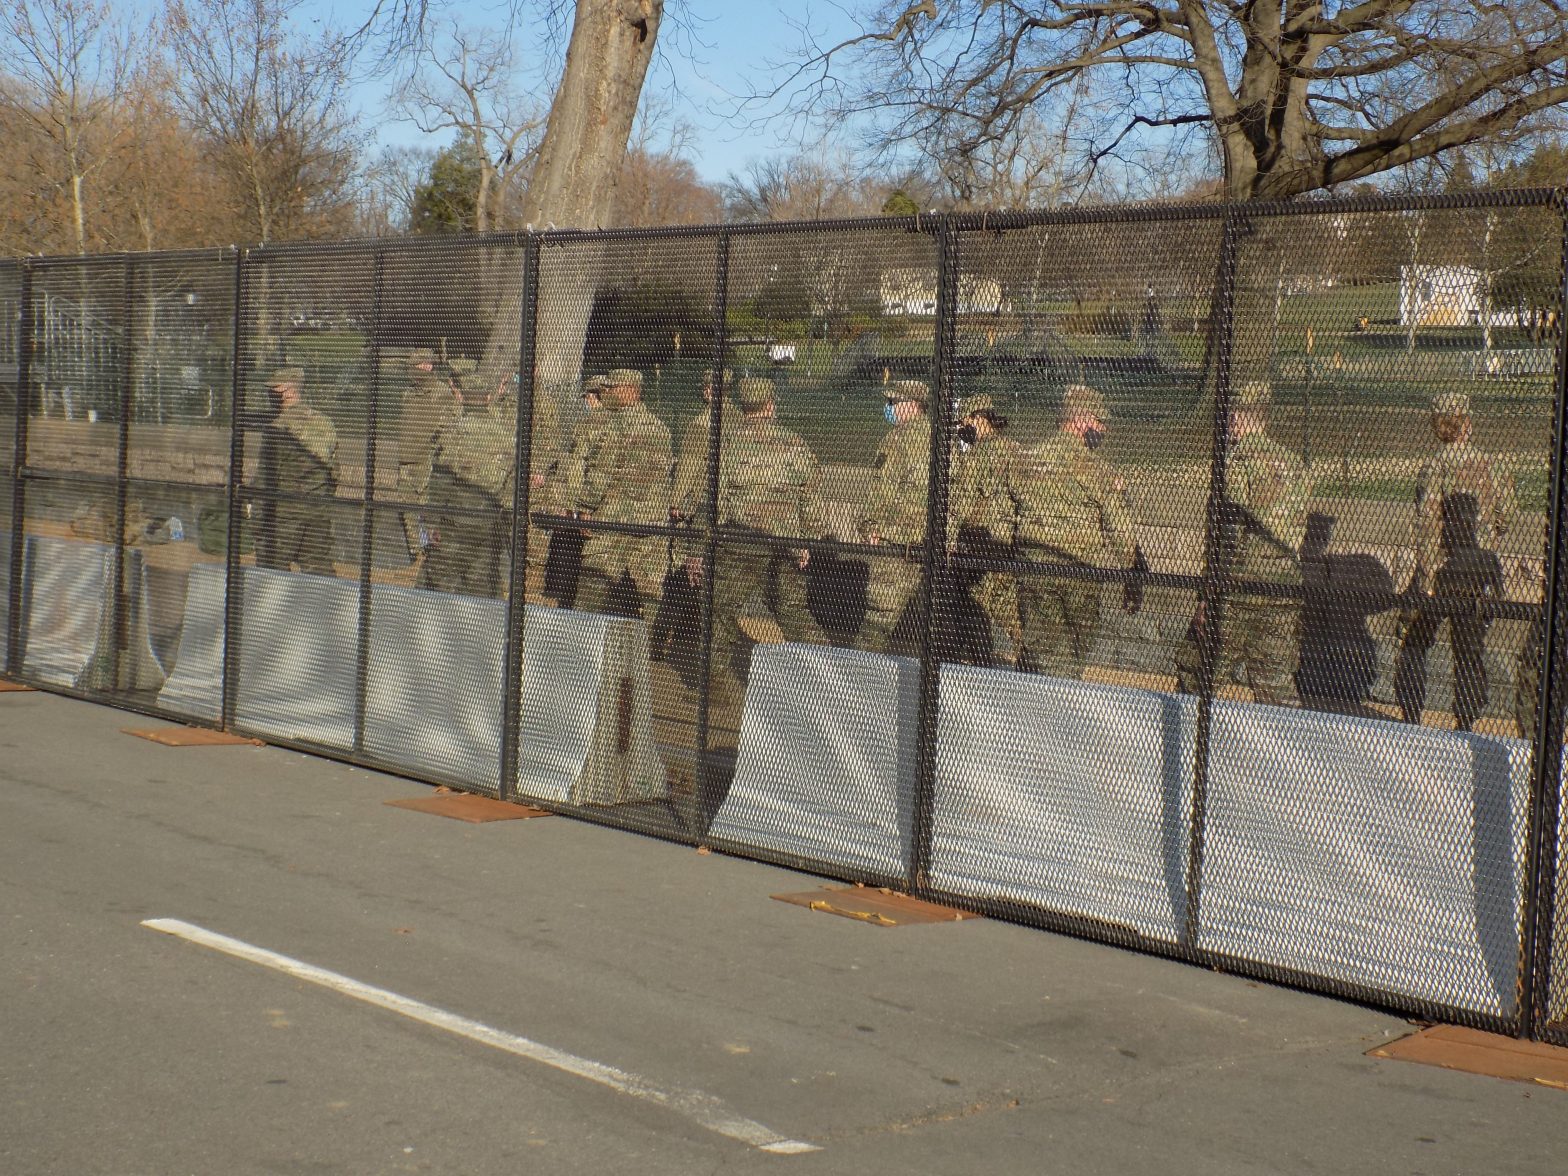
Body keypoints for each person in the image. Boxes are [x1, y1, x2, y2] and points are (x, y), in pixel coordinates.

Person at [680, 376, 829, 702]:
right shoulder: (793, 443)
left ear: (743, 405)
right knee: (792, 612)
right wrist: (807, 539)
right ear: (771, 405)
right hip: (783, 544)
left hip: (736, 541)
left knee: (719, 610)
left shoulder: (727, 444)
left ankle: (713, 687)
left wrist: (696, 551)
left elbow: (711, 501)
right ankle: (825, 676)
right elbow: (812, 493)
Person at [1174, 380, 1311, 706]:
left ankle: (1193, 742)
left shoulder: (1234, 465)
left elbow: (1226, 534)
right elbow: (1298, 532)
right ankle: (1284, 752)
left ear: (1236, 416)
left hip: (1237, 588)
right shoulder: (1297, 466)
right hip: (1282, 588)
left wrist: (1208, 596)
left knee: (1196, 674)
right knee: (1276, 686)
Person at [1393, 392, 1516, 731]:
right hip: (1477, 570)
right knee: (1468, 650)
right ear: (1468, 424)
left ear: (1438, 426)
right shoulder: (1494, 465)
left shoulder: (1435, 466)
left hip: (1442, 570)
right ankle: (1466, 720)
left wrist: (1427, 578)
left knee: (1415, 640)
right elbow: (1504, 519)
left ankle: (1411, 714)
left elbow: (1427, 522)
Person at [1012, 384, 1138, 678]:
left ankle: (1034, 700)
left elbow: (1006, 515)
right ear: (1080, 421)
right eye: (1098, 421)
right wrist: (1131, 572)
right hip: (1081, 571)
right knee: (1071, 655)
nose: (1103, 429)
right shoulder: (1097, 470)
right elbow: (1119, 529)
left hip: (1035, 568)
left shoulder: (1027, 460)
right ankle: (1059, 711)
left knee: (1042, 648)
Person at [573, 368, 672, 618]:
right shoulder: (660, 428)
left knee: (593, 586)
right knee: (647, 592)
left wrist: (585, 507)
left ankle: (585, 645)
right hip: (650, 523)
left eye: (612, 388)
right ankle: (644, 650)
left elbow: (602, 473)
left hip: (612, 519)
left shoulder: (614, 425)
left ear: (631, 391)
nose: (607, 393)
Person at [419, 364, 517, 597]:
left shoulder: (454, 433)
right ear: (488, 397)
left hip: (455, 525)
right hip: (489, 524)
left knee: (440, 585)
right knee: (481, 587)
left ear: (459, 395)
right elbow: (511, 489)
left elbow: (441, 482)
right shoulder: (507, 435)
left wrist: (431, 523)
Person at [949, 393, 1025, 663]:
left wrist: (947, 541)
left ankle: (981, 668)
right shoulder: (1017, 450)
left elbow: (960, 502)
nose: (960, 428)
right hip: (1007, 550)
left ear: (979, 419)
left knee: (975, 615)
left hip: (978, 550)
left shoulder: (977, 456)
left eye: (964, 421)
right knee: (1013, 618)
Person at [857, 379, 931, 654]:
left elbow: (881, 490)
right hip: (927, 543)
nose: (889, 408)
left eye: (893, 403)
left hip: (893, 540)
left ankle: (858, 686)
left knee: (878, 619)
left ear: (912, 406)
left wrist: (868, 525)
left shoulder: (896, 439)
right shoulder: (942, 438)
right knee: (914, 622)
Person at [255, 366, 338, 575]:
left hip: (285, 513)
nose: (270, 394)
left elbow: (266, 476)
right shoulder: (324, 423)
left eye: (275, 389)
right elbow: (334, 471)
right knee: (318, 570)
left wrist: (256, 520)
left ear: (290, 391)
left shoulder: (278, 427)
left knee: (271, 570)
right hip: (318, 509)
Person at [543, 375, 610, 606]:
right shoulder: (618, 423)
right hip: (596, 507)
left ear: (594, 397)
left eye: (589, 397)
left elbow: (573, 468)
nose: (587, 402)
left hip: (583, 506)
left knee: (571, 568)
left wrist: (569, 505)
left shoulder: (591, 425)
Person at [394, 348, 460, 561]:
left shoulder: (441, 393)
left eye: (417, 366)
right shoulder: (408, 393)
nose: (413, 371)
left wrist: (436, 456)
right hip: (406, 461)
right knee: (408, 511)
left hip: (427, 463)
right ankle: (417, 553)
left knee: (429, 512)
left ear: (428, 366)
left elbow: (449, 428)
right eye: (412, 367)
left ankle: (433, 556)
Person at [669, 368, 733, 524]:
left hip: (705, 500)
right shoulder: (738, 418)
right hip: (731, 500)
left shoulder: (701, 423)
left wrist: (676, 501)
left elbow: (689, 465)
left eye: (705, 386)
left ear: (710, 389)